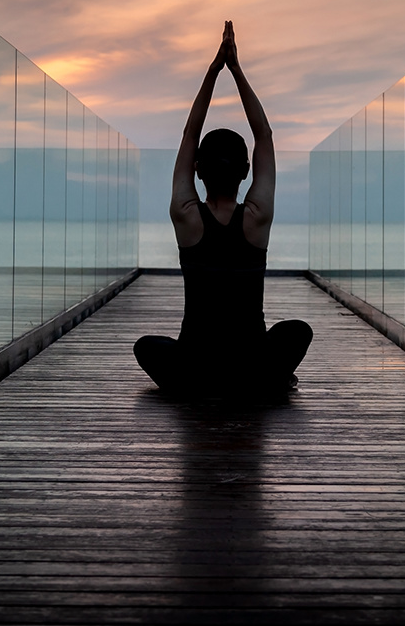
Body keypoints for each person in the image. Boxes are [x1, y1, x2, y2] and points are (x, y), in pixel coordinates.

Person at [133, 21, 312, 397]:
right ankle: (266, 379)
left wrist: (213, 71)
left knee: (146, 347)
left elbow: (189, 136)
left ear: (198, 171)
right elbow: (264, 135)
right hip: (250, 364)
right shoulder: (256, 216)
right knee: (297, 331)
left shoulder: (186, 215)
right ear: (246, 172)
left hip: (196, 365)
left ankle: (197, 383)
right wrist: (236, 69)